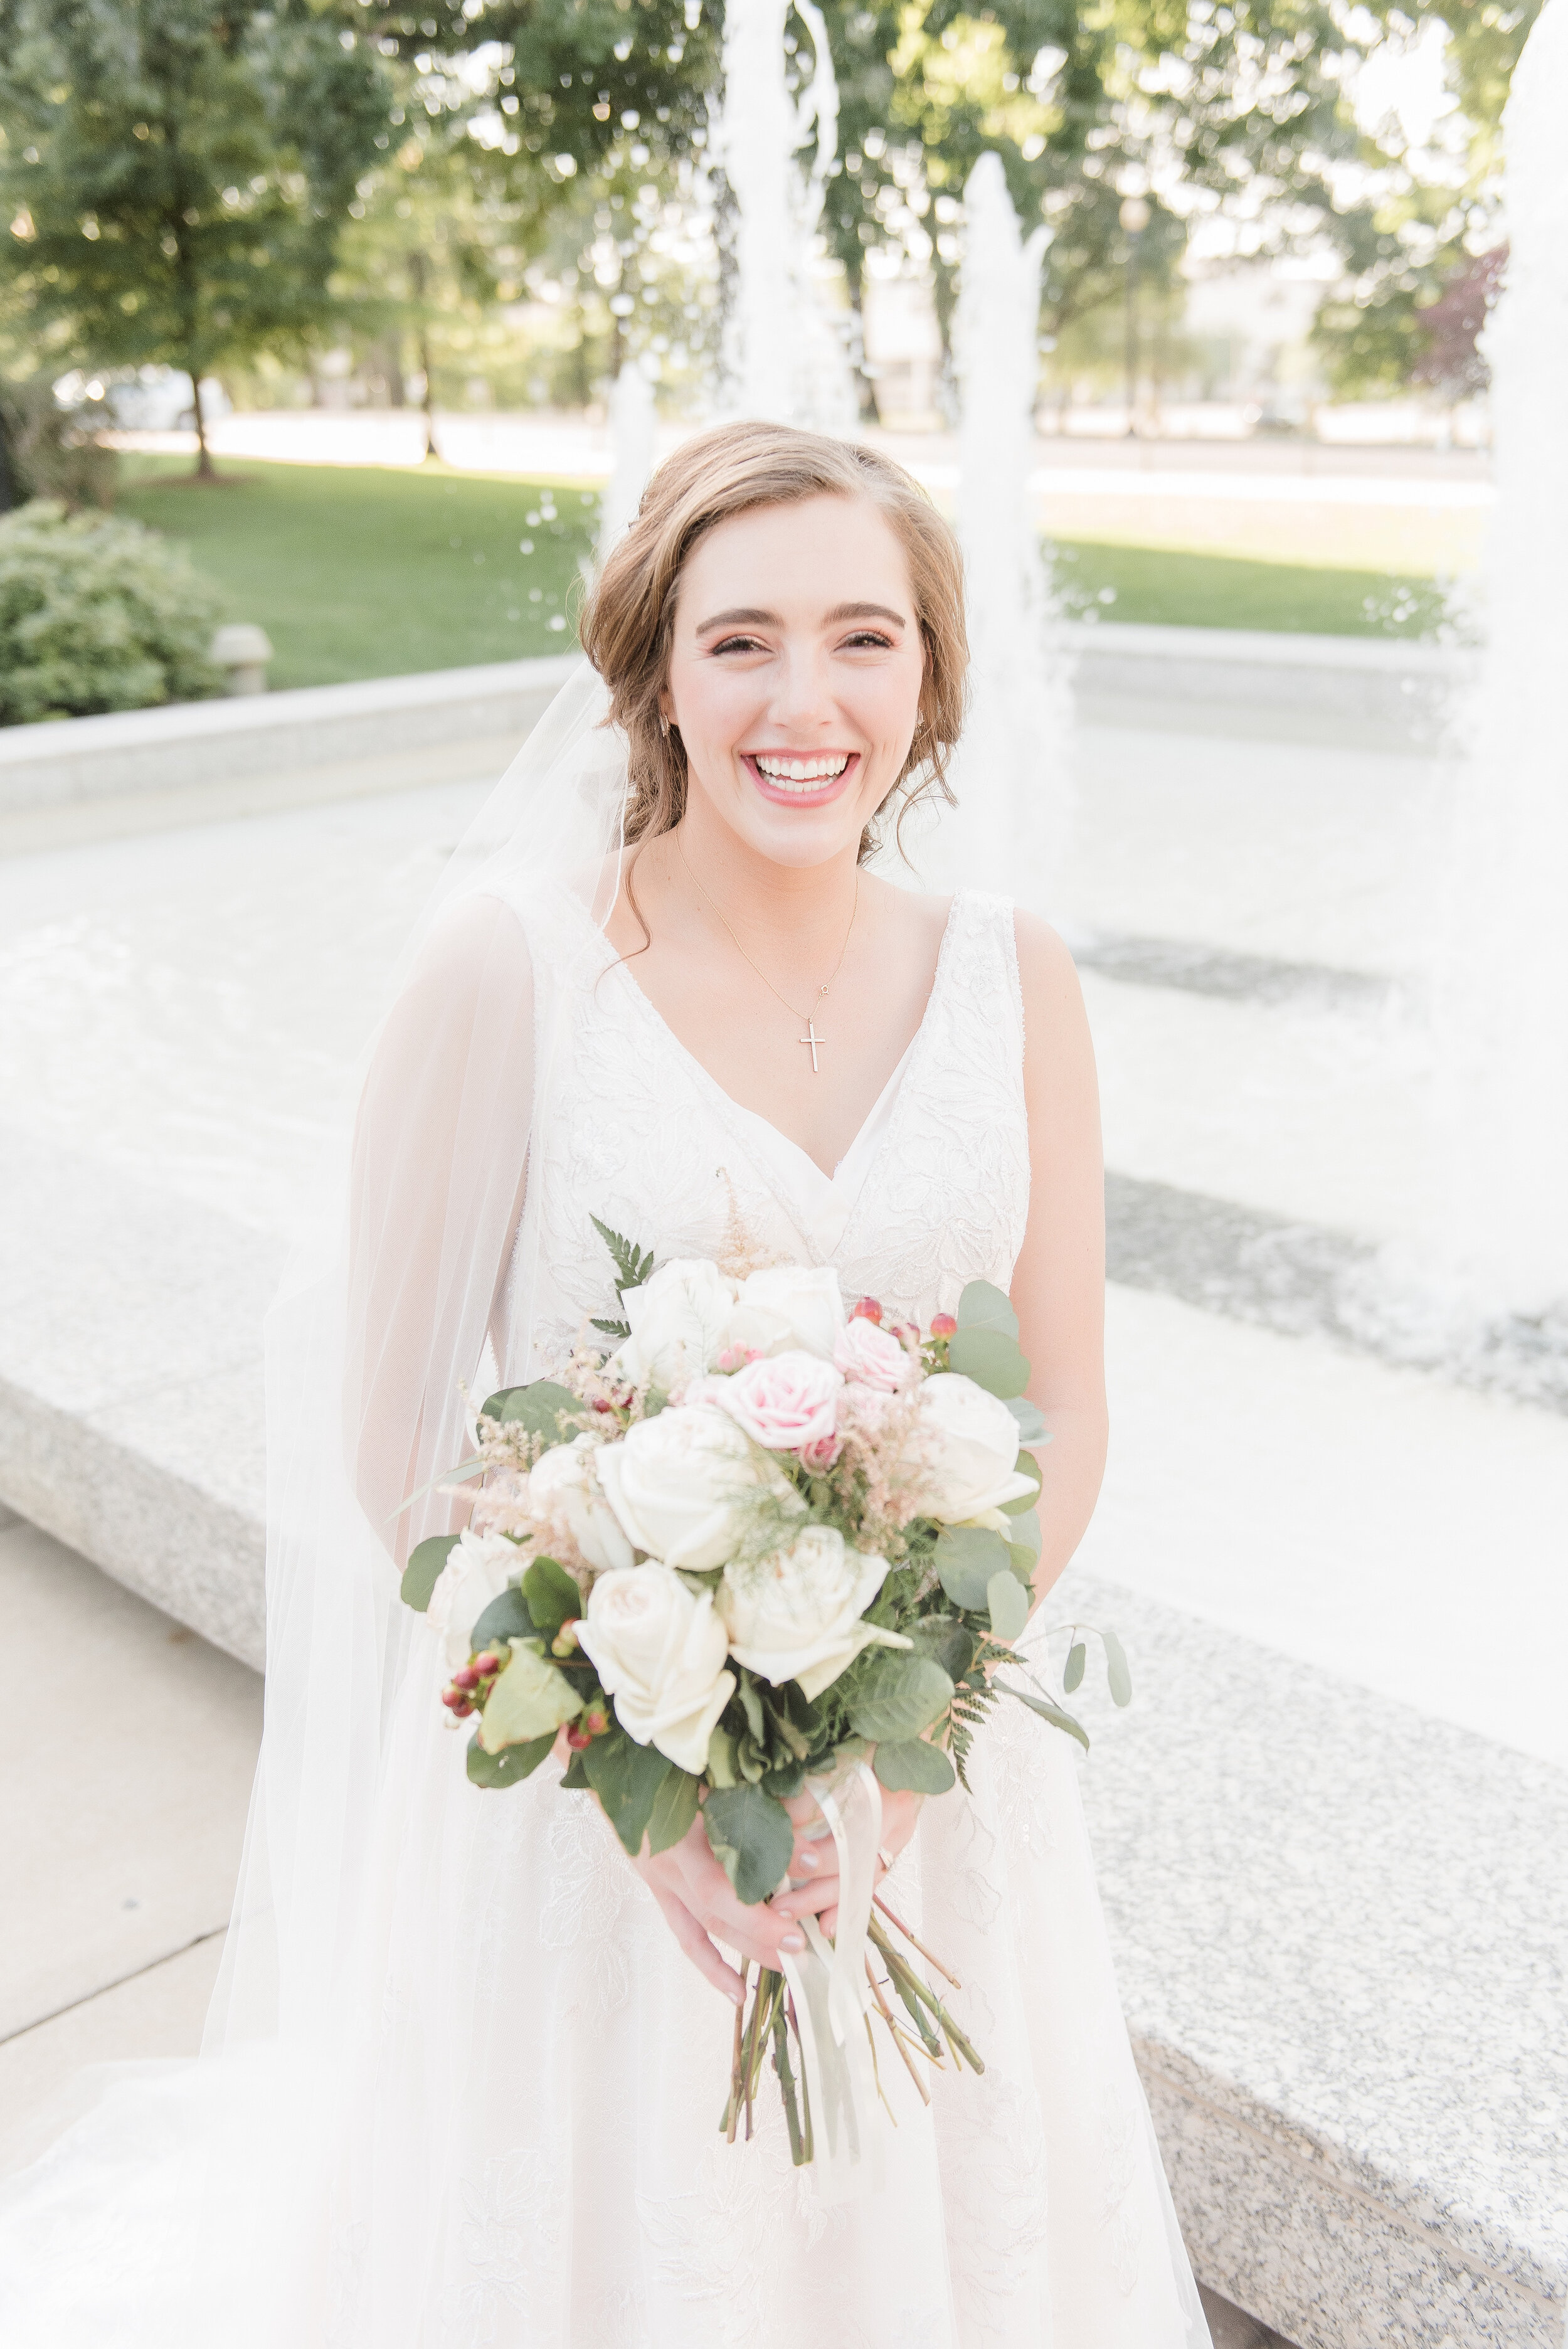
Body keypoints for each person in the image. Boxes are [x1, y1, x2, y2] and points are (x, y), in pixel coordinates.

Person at [0, 423, 1212, 2347]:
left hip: (937, 1794)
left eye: (862, 639)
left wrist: (897, 1765)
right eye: (738, 641)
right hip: (591, 1812)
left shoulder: (1016, 976)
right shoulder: (508, 968)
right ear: (651, 666)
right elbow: (398, 1442)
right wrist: (652, 1789)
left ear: (933, 671)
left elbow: (1057, 1400)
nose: (802, 701)